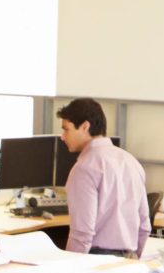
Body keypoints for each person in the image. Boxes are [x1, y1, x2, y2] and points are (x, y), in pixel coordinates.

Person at [57, 96, 150, 256]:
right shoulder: (130, 161)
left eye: (66, 129)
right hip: (130, 259)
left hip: (97, 260)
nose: (62, 136)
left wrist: (69, 268)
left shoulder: (84, 168)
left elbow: (82, 232)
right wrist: (134, 259)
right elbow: (144, 226)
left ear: (85, 126)